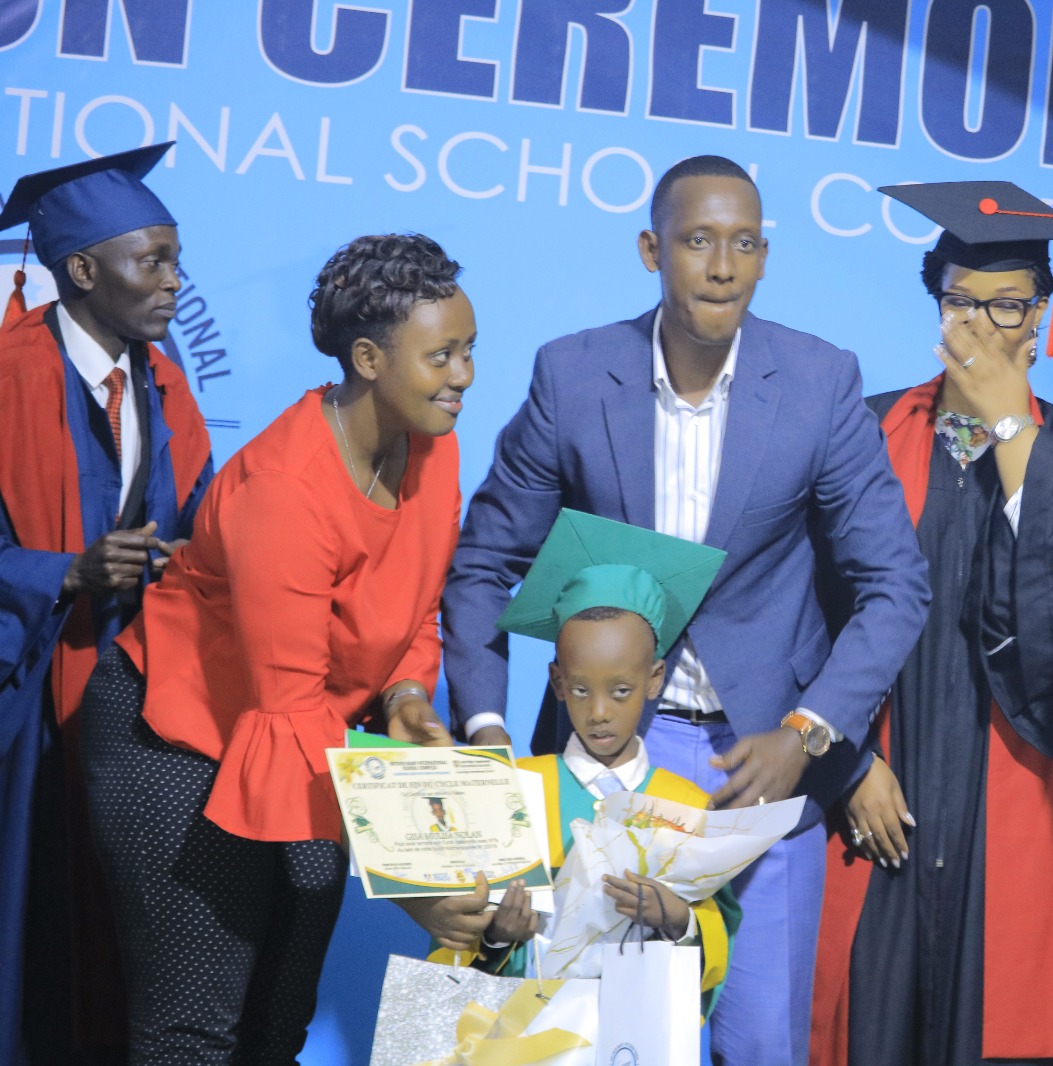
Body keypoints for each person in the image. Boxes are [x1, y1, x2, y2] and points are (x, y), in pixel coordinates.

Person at [443, 154, 930, 1066]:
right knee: (591, 1038)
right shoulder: (574, 374)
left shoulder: (820, 381)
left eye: (744, 244)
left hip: (765, 765)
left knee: (762, 1044)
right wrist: (486, 735)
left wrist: (811, 733)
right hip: (607, 760)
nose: (722, 266)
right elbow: (482, 566)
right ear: (651, 250)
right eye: (698, 240)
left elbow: (896, 584)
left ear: (764, 257)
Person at [77, 232, 473, 1063]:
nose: (464, 375)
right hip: (177, 738)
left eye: (468, 350)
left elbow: (416, 603)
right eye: (441, 356)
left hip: (299, 741)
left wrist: (405, 695)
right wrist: (411, 887)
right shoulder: (285, 490)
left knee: (278, 1025)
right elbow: (286, 703)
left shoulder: (433, 443)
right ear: (368, 359)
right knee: (196, 1032)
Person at [811, 181, 1053, 1066]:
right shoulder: (866, 433)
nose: (981, 324)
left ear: (1042, 313)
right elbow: (806, 616)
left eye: (1007, 304)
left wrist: (1009, 423)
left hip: (1024, 786)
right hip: (879, 786)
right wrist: (846, 762)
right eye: (960, 302)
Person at [0, 142, 212, 1064]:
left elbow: (197, 515)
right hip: (22, 706)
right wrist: (62, 574)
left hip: (128, 707)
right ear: (83, 271)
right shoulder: (7, 376)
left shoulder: (164, 383)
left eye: (176, 260)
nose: (174, 282)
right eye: (152, 262)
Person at [429, 508, 742, 1017]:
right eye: (579, 690)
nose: (599, 712)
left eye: (620, 691)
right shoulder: (515, 791)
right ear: (557, 682)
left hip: (635, 1032)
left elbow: (716, 936)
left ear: (655, 680)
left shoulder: (686, 806)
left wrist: (679, 919)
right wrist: (497, 937)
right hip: (528, 1032)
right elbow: (455, 944)